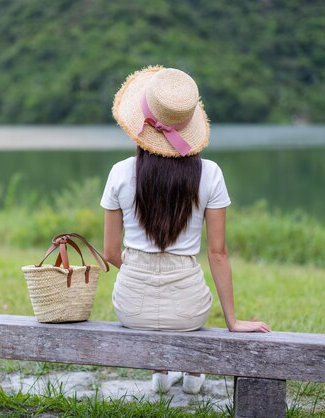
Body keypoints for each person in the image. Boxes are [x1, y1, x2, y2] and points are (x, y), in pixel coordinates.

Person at [100, 66, 271, 394]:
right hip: (189, 310)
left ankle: (161, 371)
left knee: (150, 307)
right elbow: (218, 253)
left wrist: (139, 267)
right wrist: (233, 322)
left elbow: (109, 253)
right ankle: (193, 373)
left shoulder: (119, 173)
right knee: (186, 301)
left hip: (131, 308)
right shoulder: (211, 173)